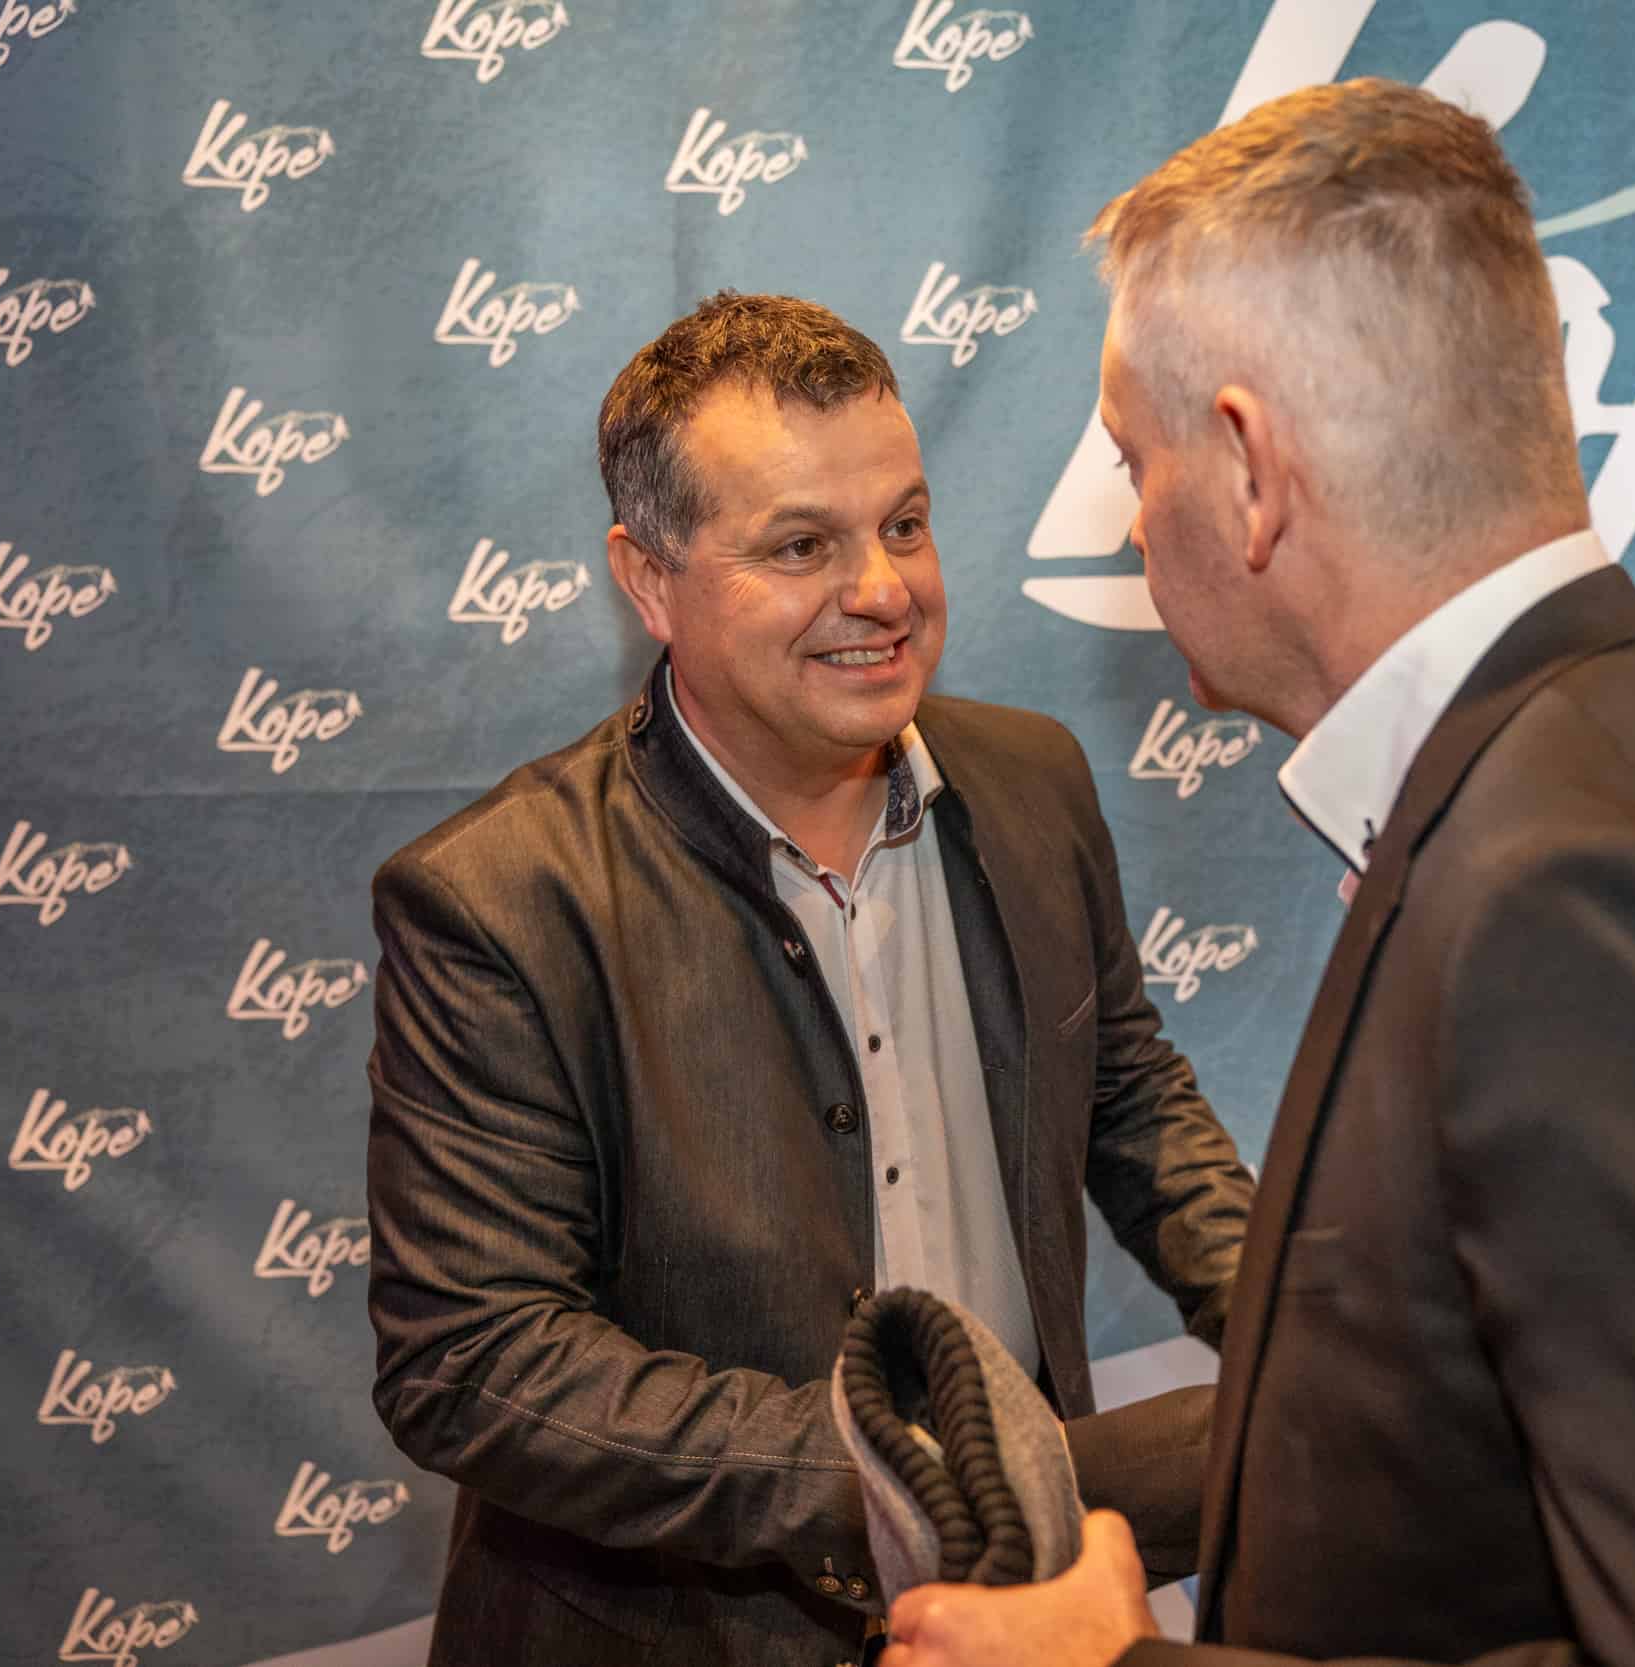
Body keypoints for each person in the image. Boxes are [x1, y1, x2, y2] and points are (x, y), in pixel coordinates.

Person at [884, 78, 1635, 1667]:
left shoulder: (1600, 876)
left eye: (1131, 461)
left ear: (1251, 467)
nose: (1134, 527)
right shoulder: (1548, 781)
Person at [364, 292, 1256, 1667]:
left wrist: (1301, 1338)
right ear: (648, 580)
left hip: (1023, 1613)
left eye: (904, 523)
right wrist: (897, 1475)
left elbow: (1128, 1095)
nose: (883, 589)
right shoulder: (499, 901)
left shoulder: (1034, 780)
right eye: (801, 545)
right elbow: (475, 1359)